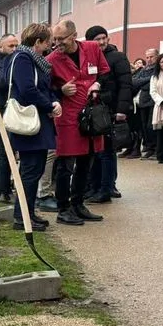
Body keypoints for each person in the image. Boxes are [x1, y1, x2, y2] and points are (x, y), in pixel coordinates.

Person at [46, 20, 108, 226]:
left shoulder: (91, 48)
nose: (57, 43)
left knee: (87, 160)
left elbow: (105, 73)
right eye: (54, 39)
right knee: (66, 164)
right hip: (68, 116)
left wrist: (98, 83)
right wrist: (60, 91)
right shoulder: (52, 60)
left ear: (74, 36)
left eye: (60, 39)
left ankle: (78, 204)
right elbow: (45, 90)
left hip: (91, 113)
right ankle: (63, 208)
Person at [3, 22, 60, 231]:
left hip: (37, 120)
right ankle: (22, 216)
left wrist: (54, 101)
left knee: (34, 170)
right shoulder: (22, 58)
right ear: (38, 42)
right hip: (30, 120)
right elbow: (27, 89)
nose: (49, 47)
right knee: (30, 170)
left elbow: (44, 87)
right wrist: (49, 104)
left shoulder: (32, 60)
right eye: (47, 43)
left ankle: (28, 213)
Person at [84, 25, 132, 202]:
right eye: (98, 39)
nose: (102, 41)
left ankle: (106, 188)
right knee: (96, 151)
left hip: (110, 110)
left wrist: (121, 110)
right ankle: (95, 186)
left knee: (106, 151)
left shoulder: (117, 57)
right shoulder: (88, 58)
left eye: (104, 37)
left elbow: (126, 85)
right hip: (94, 111)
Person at [0, 33, 20, 203]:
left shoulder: (9, 61)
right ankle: (3, 191)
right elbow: (2, 81)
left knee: (7, 152)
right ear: (1, 46)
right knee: (3, 152)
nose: (14, 49)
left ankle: (0, 190)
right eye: (11, 46)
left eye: (16, 46)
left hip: (6, 111)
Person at [131, 49, 159, 159]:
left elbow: (151, 86)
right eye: (147, 57)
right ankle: (149, 147)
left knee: (151, 126)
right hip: (142, 102)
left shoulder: (158, 69)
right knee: (144, 126)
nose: (149, 59)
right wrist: (148, 80)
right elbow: (134, 82)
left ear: (157, 56)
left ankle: (154, 148)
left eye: (151, 57)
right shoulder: (144, 69)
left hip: (153, 101)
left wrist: (143, 83)